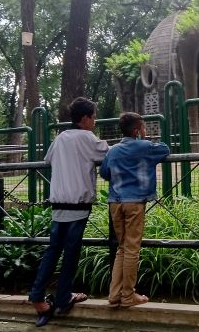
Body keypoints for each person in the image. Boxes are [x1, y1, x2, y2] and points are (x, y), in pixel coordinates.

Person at [29, 97, 109, 327]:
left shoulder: (61, 137)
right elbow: (109, 154)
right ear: (84, 119)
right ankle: (63, 297)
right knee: (71, 253)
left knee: (53, 251)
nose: (95, 121)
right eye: (93, 117)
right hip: (78, 204)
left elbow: (48, 159)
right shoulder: (87, 138)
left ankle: (38, 298)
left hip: (58, 205)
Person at [100, 112, 170, 308]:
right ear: (137, 131)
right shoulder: (144, 147)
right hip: (135, 203)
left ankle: (115, 295)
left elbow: (105, 172)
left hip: (115, 202)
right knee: (132, 249)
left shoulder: (112, 151)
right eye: (143, 128)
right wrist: (144, 140)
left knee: (122, 248)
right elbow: (165, 149)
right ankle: (128, 295)